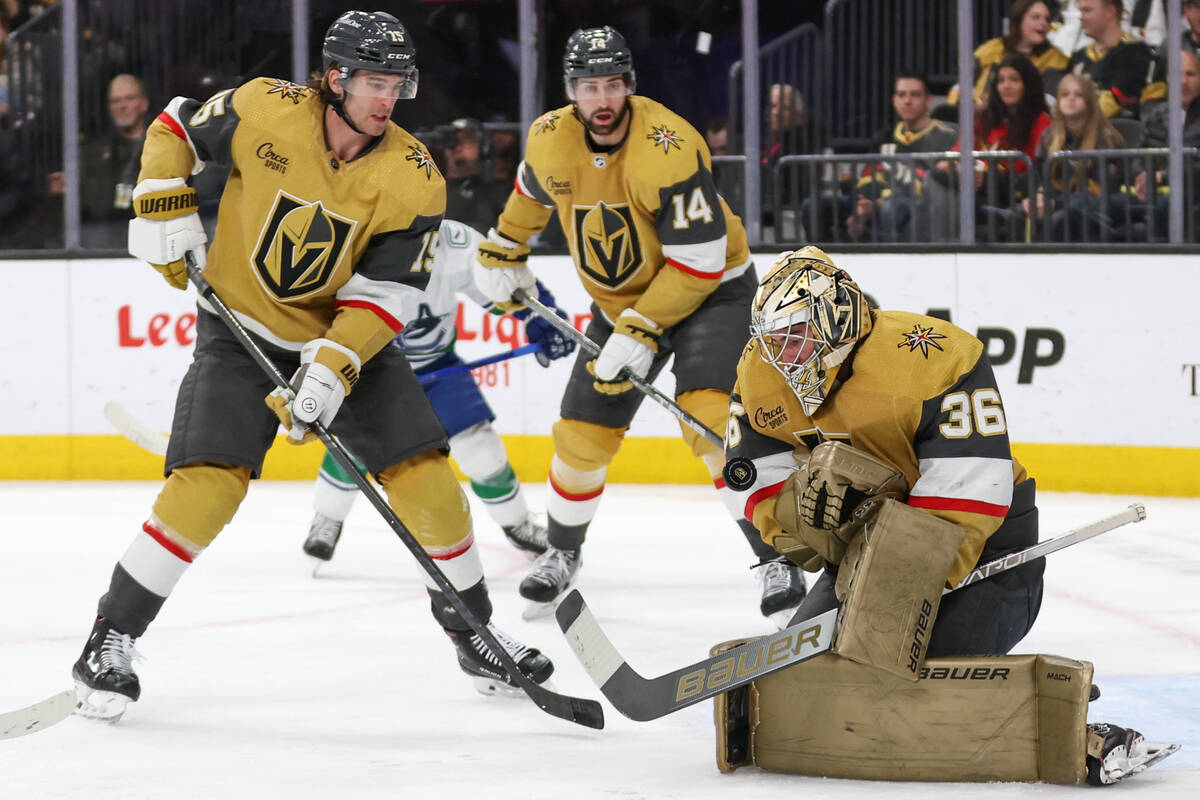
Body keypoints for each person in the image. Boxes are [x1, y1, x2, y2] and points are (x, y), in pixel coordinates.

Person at [71, 11, 556, 723]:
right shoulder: (266, 107)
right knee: (206, 490)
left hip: (346, 341)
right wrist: (161, 200)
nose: (386, 99)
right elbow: (174, 126)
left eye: (396, 83)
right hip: (241, 337)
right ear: (335, 79)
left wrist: (330, 368)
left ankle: (474, 633)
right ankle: (110, 636)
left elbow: (387, 294)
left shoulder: (414, 175)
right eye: (372, 82)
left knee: (431, 485)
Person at [720, 245, 1177, 787]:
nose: (780, 355)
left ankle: (1085, 735)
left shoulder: (934, 358)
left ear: (833, 316)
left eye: (793, 336)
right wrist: (805, 529)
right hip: (868, 554)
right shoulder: (761, 368)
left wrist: (885, 601)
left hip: (989, 549)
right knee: (808, 682)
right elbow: (749, 473)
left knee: (899, 686)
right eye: (771, 340)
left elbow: (968, 497)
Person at [471, 25, 806, 626]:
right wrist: (504, 248)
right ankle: (562, 550)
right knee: (580, 437)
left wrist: (642, 328)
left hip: (714, 293)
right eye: (588, 85)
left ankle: (777, 555)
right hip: (622, 307)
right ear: (572, 90)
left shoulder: (668, 145)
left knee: (711, 422)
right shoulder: (550, 138)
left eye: (611, 85)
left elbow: (700, 261)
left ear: (630, 86)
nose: (601, 99)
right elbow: (530, 193)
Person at [302, 219, 575, 564]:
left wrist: (542, 320)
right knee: (355, 447)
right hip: (373, 368)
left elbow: (501, 286)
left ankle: (517, 523)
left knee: (480, 446)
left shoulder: (454, 242)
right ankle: (327, 517)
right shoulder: (356, 237)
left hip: (437, 366)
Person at [806, 72, 957, 242]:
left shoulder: (948, 135)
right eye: (901, 95)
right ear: (894, 100)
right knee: (814, 206)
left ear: (928, 100)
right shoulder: (884, 136)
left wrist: (878, 203)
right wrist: (864, 203)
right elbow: (868, 177)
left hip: (917, 207)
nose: (907, 101)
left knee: (892, 209)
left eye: (914, 95)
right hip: (876, 202)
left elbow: (934, 187)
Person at [930, 53, 1052, 241]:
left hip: (1013, 191)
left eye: (1014, 80)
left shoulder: (1041, 122)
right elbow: (958, 151)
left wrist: (985, 175)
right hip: (978, 189)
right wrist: (951, 165)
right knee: (938, 176)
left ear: (1027, 84)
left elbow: (1031, 171)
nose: (1006, 86)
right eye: (1001, 80)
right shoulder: (984, 119)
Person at [48, 73, 149, 248]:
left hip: (150, 235)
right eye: (115, 101)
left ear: (143, 104)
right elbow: (94, 203)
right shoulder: (93, 151)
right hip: (105, 239)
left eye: (129, 98)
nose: (122, 106)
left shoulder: (162, 145)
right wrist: (72, 188)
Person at [1025, 73, 1125, 240]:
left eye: (1078, 95)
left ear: (1090, 102)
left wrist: (1055, 204)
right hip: (1058, 206)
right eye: (1065, 94)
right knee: (1017, 214)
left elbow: (1101, 195)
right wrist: (1036, 200)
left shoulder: (1107, 140)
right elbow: (1040, 179)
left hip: (1095, 215)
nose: (1070, 99)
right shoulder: (1048, 138)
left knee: (1061, 219)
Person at [948, 0, 1068, 111]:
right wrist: (965, 104)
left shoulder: (1056, 59)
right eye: (1035, 17)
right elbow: (962, 83)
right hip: (975, 117)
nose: (1043, 23)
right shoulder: (992, 48)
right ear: (1019, 20)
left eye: (1047, 19)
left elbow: (1047, 101)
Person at [1063, 0, 1154, 117]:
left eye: (1087, 10)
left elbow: (1116, 99)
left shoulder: (1135, 51)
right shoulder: (1079, 56)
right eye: (1081, 11)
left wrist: (1078, 119)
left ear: (1110, 12)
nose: (1081, 17)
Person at [440, 117, 509, 235]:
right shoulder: (428, 189)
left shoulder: (496, 193)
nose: (458, 147)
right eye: (452, 141)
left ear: (483, 149)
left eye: (467, 141)